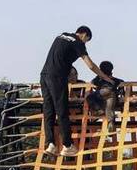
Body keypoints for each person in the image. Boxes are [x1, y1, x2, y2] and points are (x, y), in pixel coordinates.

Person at [40, 26, 114, 157]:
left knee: (48, 111)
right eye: (87, 40)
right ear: (84, 34)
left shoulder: (61, 35)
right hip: (57, 77)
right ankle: (67, 145)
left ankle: (50, 144)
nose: (85, 43)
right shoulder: (78, 42)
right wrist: (105, 77)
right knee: (62, 110)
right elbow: (90, 65)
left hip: (44, 75)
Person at [86, 61, 124, 134]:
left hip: (104, 92)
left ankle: (98, 110)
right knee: (109, 109)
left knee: (89, 97)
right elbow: (121, 83)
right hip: (112, 94)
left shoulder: (99, 79)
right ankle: (111, 123)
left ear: (100, 69)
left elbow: (92, 83)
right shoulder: (115, 79)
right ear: (111, 69)